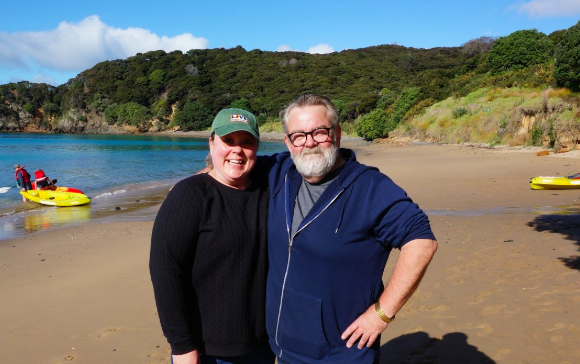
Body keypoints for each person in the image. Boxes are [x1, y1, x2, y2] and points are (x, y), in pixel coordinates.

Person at [261, 94, 438, 364]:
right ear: (287, 142)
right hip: (284, 349)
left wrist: (382, 313)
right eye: (298, 135)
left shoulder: (371, 188)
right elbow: (231, 164)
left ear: (337, 134)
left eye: (319, 132)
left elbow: (422, 242)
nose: (309, 142)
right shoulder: (280, 173)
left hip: (339, 354)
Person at [149, 108, 275, 364]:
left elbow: (297, 157)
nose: (237, 150)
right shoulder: (190, 194)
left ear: (257, 148)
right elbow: (165, 269)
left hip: (262, 346)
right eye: (228, 141)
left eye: (246, 142)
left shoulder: (268, 190)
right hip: (207, 350)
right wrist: (182, 346)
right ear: (211, 142)